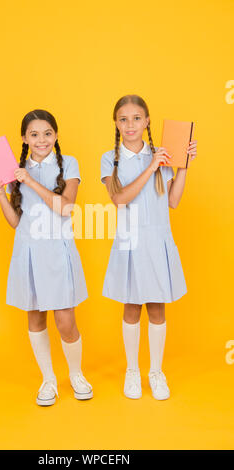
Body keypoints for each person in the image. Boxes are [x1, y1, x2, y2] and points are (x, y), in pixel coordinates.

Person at [0, 109, 93, 406]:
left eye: (47, 133)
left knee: (65, 320)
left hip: (58, 250)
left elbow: (66, 207)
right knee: (35, 318)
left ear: (56, 135)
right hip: (28, 251)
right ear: (24, 138)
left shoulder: (68, 164)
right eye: (34, 134)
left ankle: (76, 374)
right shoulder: (14, 169)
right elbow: (16, 222)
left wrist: (30, 181)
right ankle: (48, 380)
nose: (41, 140)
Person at [100, 95, 197, 400]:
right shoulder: (109, 158)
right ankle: (132, 371)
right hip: (130, 243)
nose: (130, 125)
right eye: (123, 119)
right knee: (131, 307)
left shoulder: (162, 155)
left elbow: (172, 200)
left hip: (157, 240)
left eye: (137, 118)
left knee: (156, 308)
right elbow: (119, 198)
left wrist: (183, 166)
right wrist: (151, 166)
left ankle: (155, 371)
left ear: (147, 121)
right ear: (116, 123)